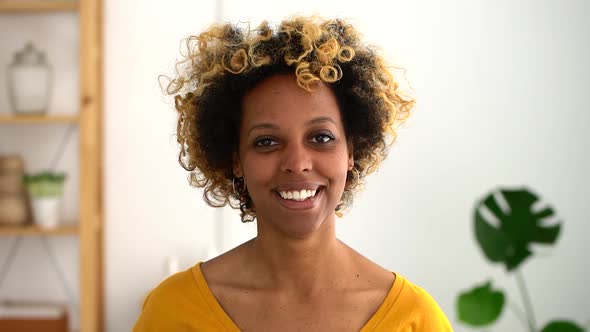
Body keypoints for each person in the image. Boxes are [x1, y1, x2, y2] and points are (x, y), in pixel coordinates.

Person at [134, 16, 452, 331]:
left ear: (351, 151)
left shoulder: (414, 318)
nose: (297, 163)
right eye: (267, 142)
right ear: (236, 160)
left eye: (321, 138)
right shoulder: (174, 312)